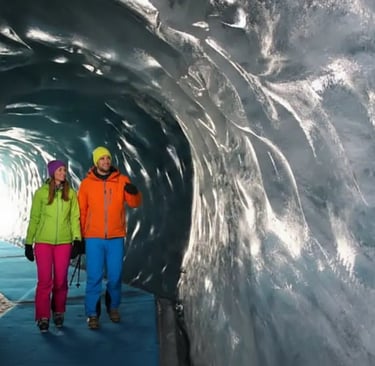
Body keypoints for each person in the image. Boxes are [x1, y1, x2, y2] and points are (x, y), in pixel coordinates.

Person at [78, 146, 142, 330]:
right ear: (96, 162)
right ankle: (92, 314)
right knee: (94, 277)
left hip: (115, 236)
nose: (106, 161)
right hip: (94, 237)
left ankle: (113, 307)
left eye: (108, 158)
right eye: (102, 159)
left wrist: (134, 192)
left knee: (115, 276)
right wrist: (80, 237)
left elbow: (134, 204)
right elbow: (82, 211)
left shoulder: (122, 180)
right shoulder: (87, 184)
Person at [24, 160, 82, 333]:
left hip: (64, 243)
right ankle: (42, 316)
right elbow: (34, 218)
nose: (63, 173)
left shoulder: (70, 194)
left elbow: (74, 218)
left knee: (60, 281)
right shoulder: (41, 193)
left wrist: (77, 239)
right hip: (43, 243)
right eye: (60, 170)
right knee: (44, 281)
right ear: (52, 172)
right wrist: (28, 242)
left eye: (64, 170)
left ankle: (58, 311)